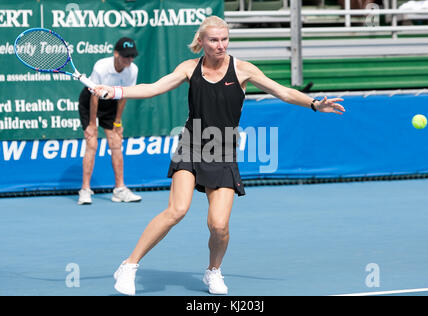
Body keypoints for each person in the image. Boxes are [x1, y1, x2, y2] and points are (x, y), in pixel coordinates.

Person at [92, 16, 345, 295]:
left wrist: (313, 104)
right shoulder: (190, 68)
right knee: (177, 210)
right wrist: (114, 91)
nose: (220, 45)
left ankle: (213, 271)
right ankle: (129, 265)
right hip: (191, 143)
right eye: (214, 40)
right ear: (201, 42)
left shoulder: (243, 69)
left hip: (223, 150)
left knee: (219, 225)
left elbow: (282, 91)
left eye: (224, 39)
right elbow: (153, 88)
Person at [78, 37, 142, 205]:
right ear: (116, 54)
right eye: (126, 56)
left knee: (116, 142)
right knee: (92, 143)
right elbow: (94, 97)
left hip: (111, 103)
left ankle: (120, 189)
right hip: (90, 102)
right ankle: (85, 190)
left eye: (132, 56)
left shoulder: (132, 70)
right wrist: (92, 124)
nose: (129, 60)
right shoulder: (101, 67)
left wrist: (118, 122)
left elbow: (124, 96)